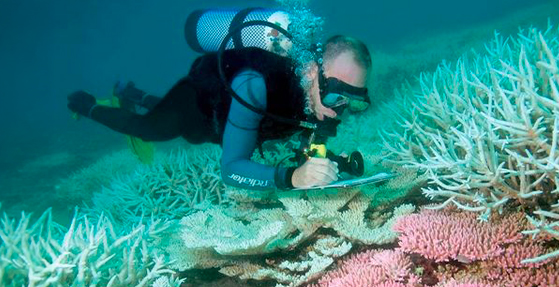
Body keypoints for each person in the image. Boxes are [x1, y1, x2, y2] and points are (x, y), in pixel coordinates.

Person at [67, 35, 372, 190]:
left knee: (159, 113)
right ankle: (85, 103)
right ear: (310, 71)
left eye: (352, 102)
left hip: (232, 118)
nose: (338, 111)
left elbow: (309, 141)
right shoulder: (256, 85)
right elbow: (232, 169)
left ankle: (131, 92)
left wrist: (322, 160)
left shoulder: (321, 100)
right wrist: (293, 177)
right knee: (151, 128)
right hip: (198, 106)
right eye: (335, 96)